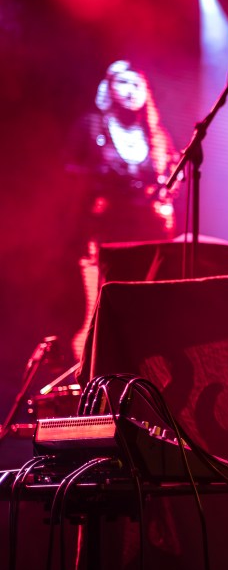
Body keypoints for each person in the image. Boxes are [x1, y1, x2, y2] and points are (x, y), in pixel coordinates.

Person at [64, 59, 179, 358]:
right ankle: (89, 366)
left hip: (146, 236)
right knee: (97, 306)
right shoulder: (91, 126)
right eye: (123, 83)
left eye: (137, 84)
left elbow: (170, 180)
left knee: (141, 305)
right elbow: (69, 175)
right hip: (102, 233)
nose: (130, 91)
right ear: (109, 87)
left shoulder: (156, 136)